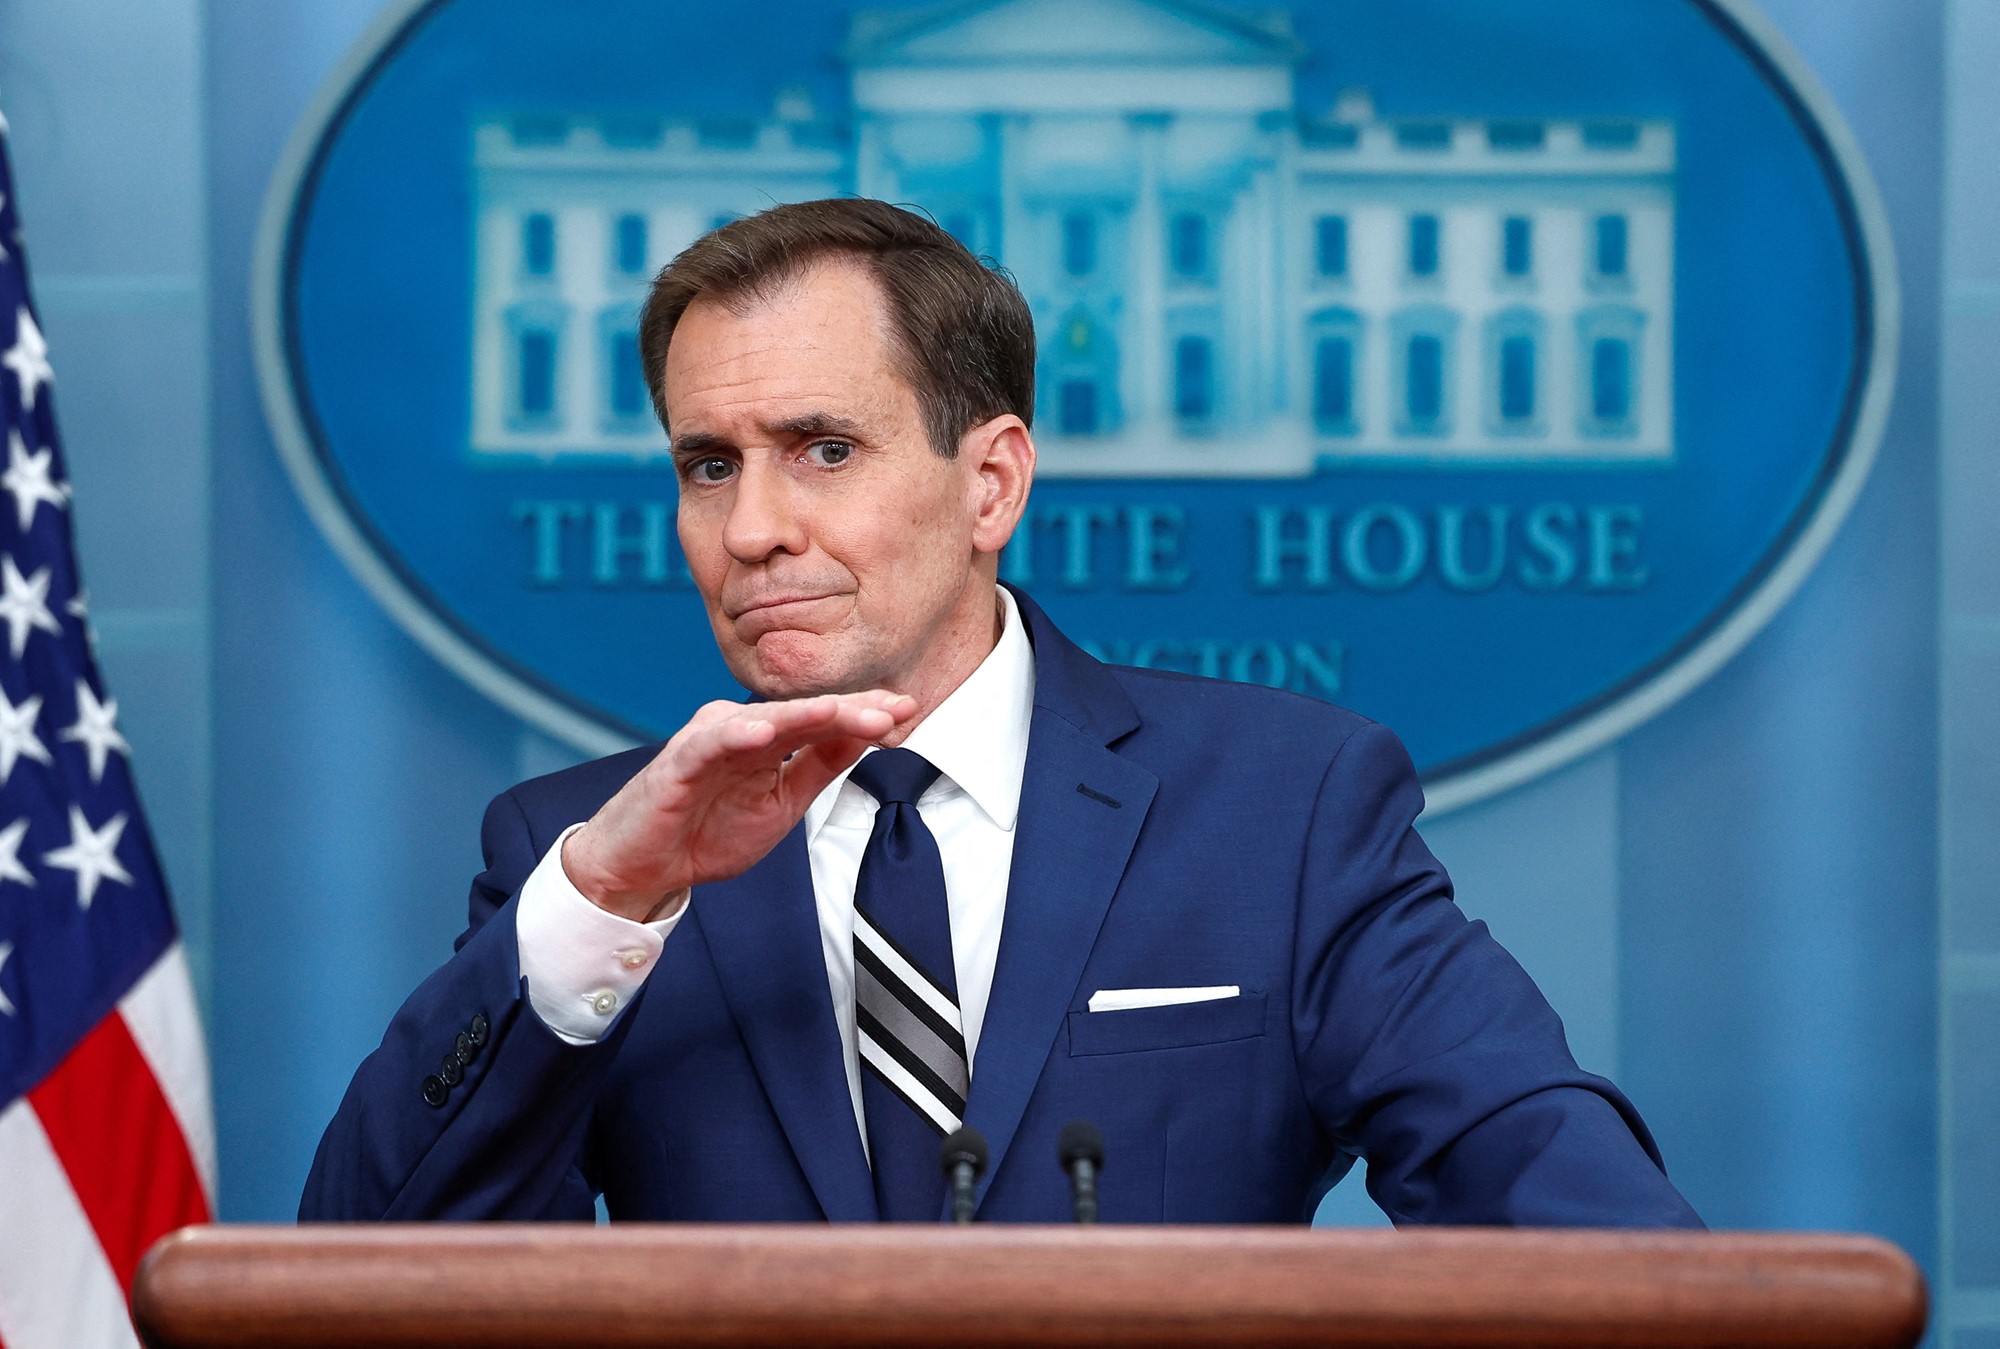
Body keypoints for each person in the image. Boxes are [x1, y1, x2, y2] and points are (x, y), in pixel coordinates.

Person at [301, 198, 1701, 1227]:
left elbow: (1569, 1208)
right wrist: (599, 903)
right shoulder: (585, 856)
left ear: (993, 484)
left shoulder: (1282, 810)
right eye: (709, 465)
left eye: (823, 450)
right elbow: (368, 1262)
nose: (752, 527)